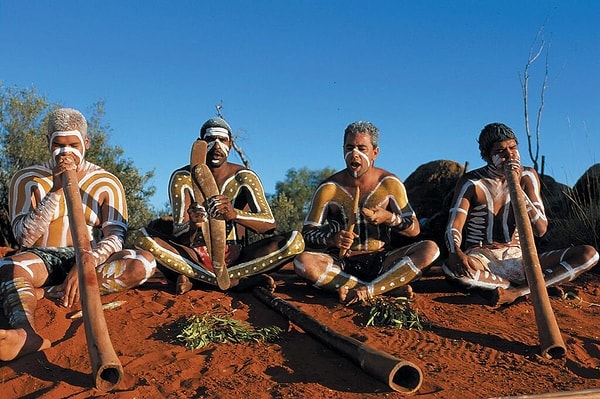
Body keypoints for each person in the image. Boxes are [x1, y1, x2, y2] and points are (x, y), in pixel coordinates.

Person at [0, 108, 156, 361]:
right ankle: (25, 333)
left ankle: (47, 292)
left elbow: (116, 237)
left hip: (91, 259)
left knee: (144, 263)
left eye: (73, 144)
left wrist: (86, 263)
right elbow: (24, 238)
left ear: (86, 142)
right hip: (41, 258)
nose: (66, 152)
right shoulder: (27, 178)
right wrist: (55, 192)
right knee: (6, 267)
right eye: (58, 145)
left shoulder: (107, 181)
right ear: (47, 142)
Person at [132, 117, 304, 294]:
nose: (216, 146)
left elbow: (269, 224)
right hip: (193, 257)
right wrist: (193, 224)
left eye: (222, 140)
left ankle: (198, 280)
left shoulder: (244, 177)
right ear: (200, 144)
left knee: (294, 242)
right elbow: (180, 234)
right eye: (210, 140)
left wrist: (234, 214)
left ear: (230, 144)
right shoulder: (182, 178)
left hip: (238, 257)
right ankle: (235, 282)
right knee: (142, 238)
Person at [443, 122, 599, 306]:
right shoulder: (472, 182)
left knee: (590, 254)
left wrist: (516, 187)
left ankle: (517, 291)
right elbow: (454, 225)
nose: (509, 155)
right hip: (482, 258)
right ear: (487, 155)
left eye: (513, 148)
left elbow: (540, 229)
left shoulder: (527, 176)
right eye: (500, 151)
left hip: (520, 257)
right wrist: (456, 251)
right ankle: (531, 286)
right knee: (453, 271)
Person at [293, 121, 440, 304]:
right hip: (342, 263)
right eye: (349, 147)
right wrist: (333, 239)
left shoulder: (389, 183)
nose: (355, 154)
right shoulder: (329, 188)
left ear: (375, 152)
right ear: (342, 150)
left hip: (382, 260)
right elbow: (307, 233)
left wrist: (389, 218)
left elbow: (414, 229)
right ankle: (384, 288)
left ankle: (368, 289)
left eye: (362, 148)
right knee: (302, 262)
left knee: (430, 250)